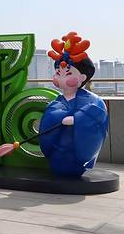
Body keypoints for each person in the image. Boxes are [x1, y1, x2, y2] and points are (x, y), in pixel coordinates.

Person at [39, 32, 109, 177]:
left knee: (73, 164)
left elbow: (97, 113)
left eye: (68, 74)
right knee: (59, 164)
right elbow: (50, 117)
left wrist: (77, 119)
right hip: (58, 150)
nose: (61, 78)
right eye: (58, 73)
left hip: (77, 152)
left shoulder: (92, 99)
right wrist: (59, 117)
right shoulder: (57, 101)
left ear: (82, 77)